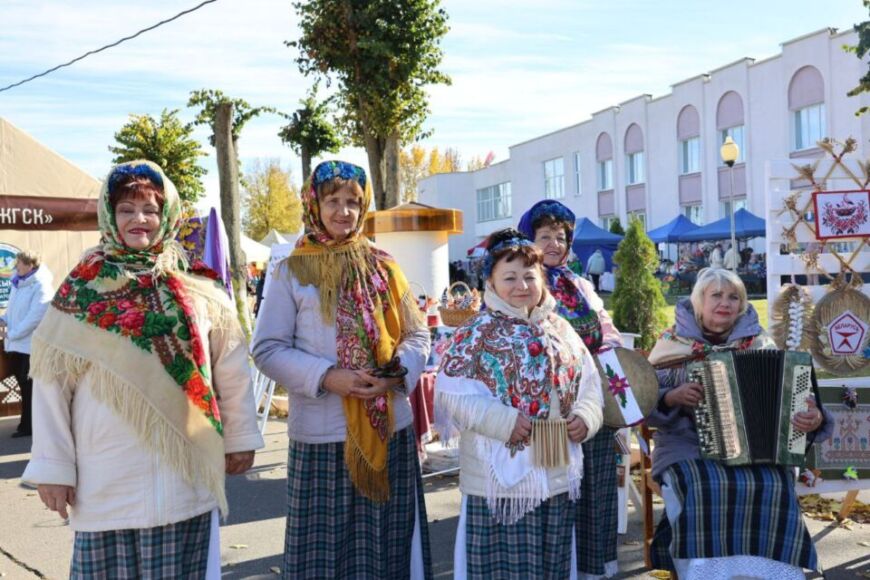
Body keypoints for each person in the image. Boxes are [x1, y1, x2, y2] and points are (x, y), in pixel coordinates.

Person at [21, 160, 264, 578]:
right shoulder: (79, 289)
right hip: (105, 481)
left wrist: (239, 437)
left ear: (167, 215)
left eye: (151, 209)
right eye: (126, 209)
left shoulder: (198, 287)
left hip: (183, 477)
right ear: (109, 215)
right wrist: (53, 467)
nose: (140, 219)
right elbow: (50, 384)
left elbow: (231, 367)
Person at [251, 160, 432, 579]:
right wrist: (328, 377)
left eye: (353, 201)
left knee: (387, 548)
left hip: (390, 431)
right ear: (313, 204)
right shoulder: (291, 271)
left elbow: (417, 334)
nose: (343, 211)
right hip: (324, 436)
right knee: (326, 555)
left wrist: (398, 372)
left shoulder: (384, 266)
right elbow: (267, 349)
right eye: (332, 200)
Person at [436, 228, 603, 580]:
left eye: (530, 276)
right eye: (509, 277)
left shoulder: (561, 329)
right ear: (491, 283)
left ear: (542, 279)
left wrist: (586, 417)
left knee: (551, 560)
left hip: (555, 462)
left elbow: (589, 383)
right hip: (499, 479)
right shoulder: (475, 332)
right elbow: (453, 392)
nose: (521, 285)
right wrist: (503, 421)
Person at [646, 268, 833, 579]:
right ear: (699, 301)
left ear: (742, 304)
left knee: (774, 484)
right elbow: (643, 400)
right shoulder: (672, 344)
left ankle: (766, 573)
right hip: (687, 444)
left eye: (734, 297)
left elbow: (799, 397)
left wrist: (813, 416)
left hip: (758, 450)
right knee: (705, 484)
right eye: (716, 295)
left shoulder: (759, 342)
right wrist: (671, 397)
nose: (725, 303)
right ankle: (705, 573)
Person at [518, 200, 623, 579]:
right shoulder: (524, 284)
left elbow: (605, 328)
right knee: (556, 490)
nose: (553, 244)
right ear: (528, 240)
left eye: (561, 237)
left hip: (591, 402)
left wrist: (609, 355)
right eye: (544, 236)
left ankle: (592, 571)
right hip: (550, 407)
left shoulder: (578, 284)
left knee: (593, 490)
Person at [1, 251, 52, 438]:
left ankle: (29, 427)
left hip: (31, 346)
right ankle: (27, 425)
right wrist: (4, 319)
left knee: (31, 388)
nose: (16, 267)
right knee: (25, 387)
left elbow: (34, 318)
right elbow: (13, 312)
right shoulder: (19, 284)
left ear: (30, 265)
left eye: (19, 263)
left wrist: (12, 334)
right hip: (17, 346)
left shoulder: (41, 286)